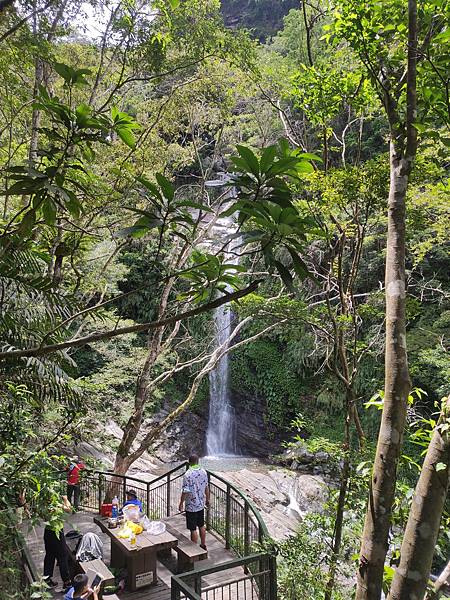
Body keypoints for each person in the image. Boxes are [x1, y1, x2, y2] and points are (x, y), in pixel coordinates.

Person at [178, 454, 210, 550]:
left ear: (189, 463)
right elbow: (206, 487)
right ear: (198, 462)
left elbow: (185, 491)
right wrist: (208, 499)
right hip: (201, 504)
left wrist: (181, 503)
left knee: (193, 529)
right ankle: (203, 545)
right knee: (201, 525)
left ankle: (194, 550)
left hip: (191, 506)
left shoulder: (187, 474)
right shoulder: (204, 472)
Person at [43, 496, 72, 590]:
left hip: (47, 532)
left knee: (50, 555)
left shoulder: (44, 506)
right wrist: (65, 499)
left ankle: (47, 579)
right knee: (63, 556)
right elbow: (69, 509)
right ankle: (67, 583)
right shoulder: (56, 506)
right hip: (57, 532)